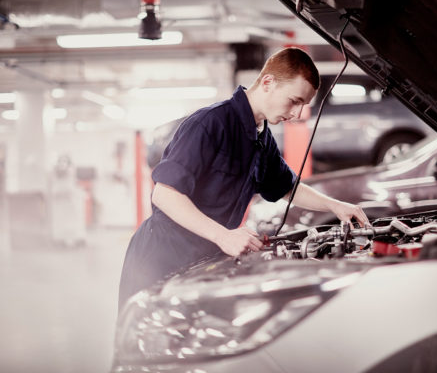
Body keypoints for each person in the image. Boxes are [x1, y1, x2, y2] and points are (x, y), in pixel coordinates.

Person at [118, 47, 369, 310]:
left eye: (303, 105)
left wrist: (336, 206)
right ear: (268, 83)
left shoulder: (262, 137)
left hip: (206, 259)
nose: (297, 114)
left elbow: (288, 187)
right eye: (294, 101)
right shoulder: (210, 123)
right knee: (150, 345)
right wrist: (224, 236)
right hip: (162, 258)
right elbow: (164, 194)